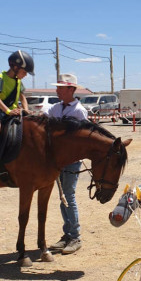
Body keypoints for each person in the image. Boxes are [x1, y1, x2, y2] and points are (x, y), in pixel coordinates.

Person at [47, 73, 89, 255]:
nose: (57, 91)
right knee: (63, 197)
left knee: (69, 196)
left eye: (60, 88)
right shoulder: (55, 109)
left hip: (71, 161)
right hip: (58, 161)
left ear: (71, 90)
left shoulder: (79, 111)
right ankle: (67, 234)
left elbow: (83, 137)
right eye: (57, 88)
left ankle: (75, 236)